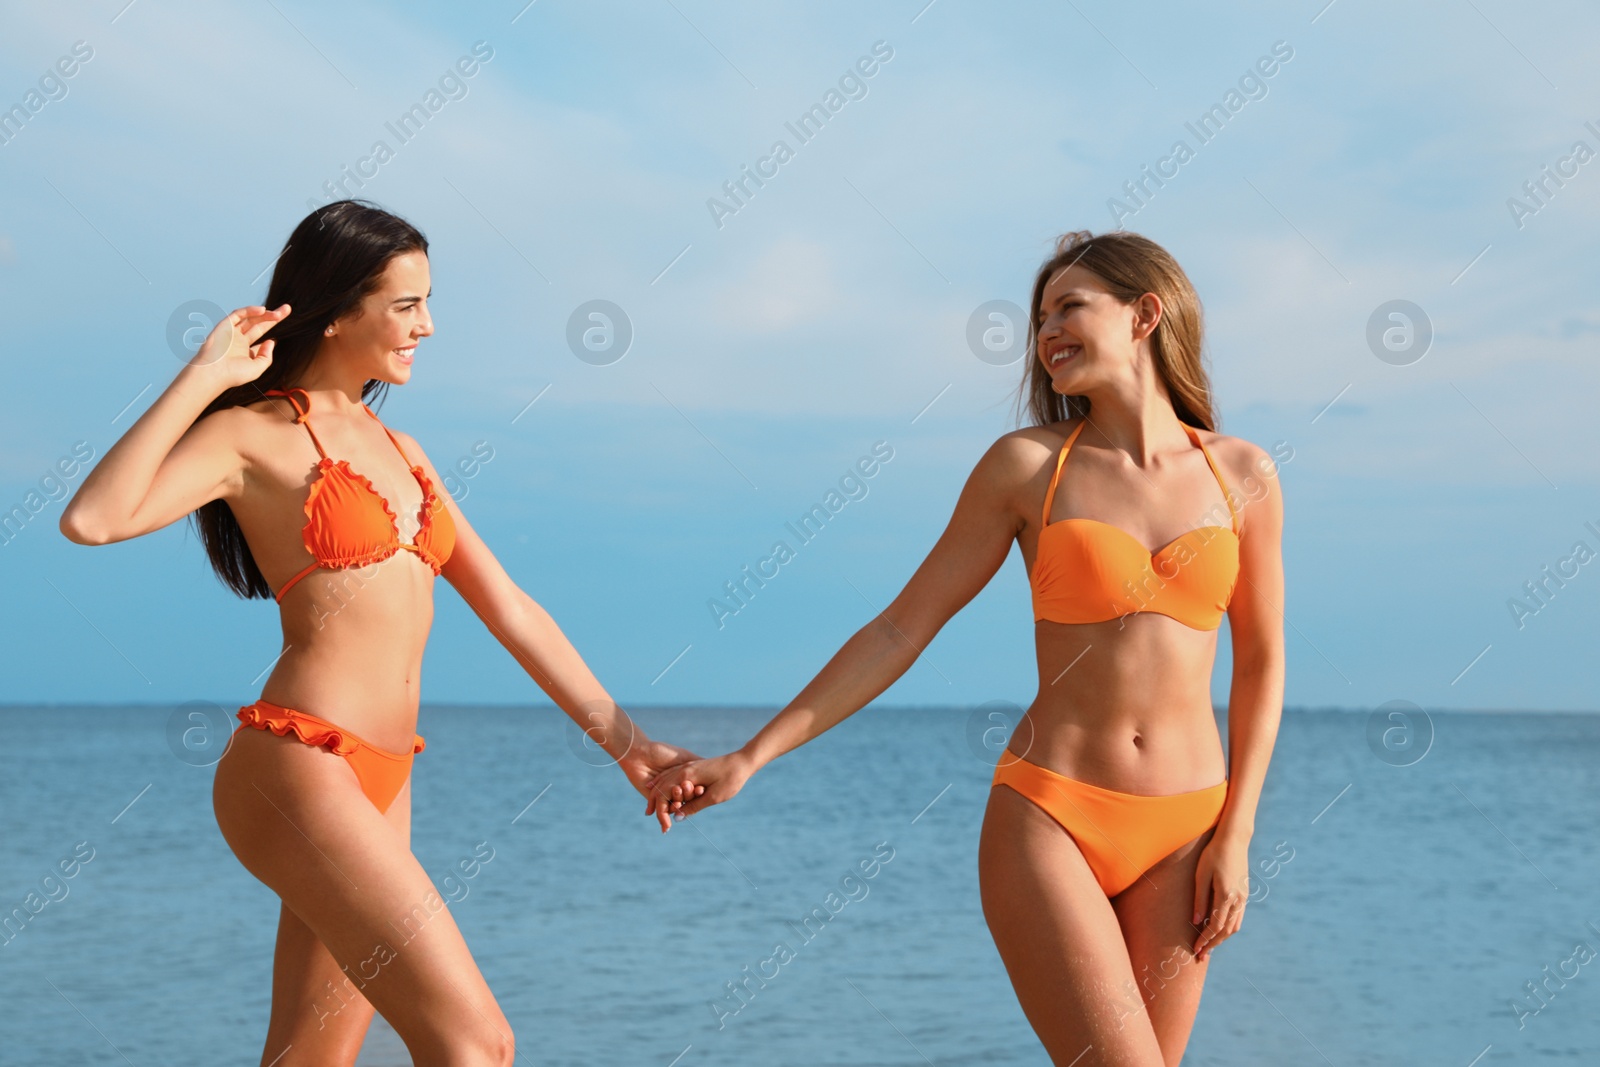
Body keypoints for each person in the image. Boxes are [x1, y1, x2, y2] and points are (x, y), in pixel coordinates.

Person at [59, 200, 701, 1067]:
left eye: (428, 303)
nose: (428, 327)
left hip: (384, 779)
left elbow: (509, 606)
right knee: (477, 1044)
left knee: (307, 1058)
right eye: (406, 305)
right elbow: (95, 519)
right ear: (335, 307)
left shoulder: (405, 449)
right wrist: (203, 377)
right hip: (300, 764)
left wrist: (626, 745)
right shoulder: (251, 435)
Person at [647, 230, 1286, 1065]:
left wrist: (1236, 834)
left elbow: (1264, 663)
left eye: (1070, 307)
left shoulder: (1242, 474)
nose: (1046, 329)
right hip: (1052, 814)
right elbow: (900, 628)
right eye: (1040, 315)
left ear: (1145, 314)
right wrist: (753, 755)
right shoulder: (1025, 467)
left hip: (1189, 829)